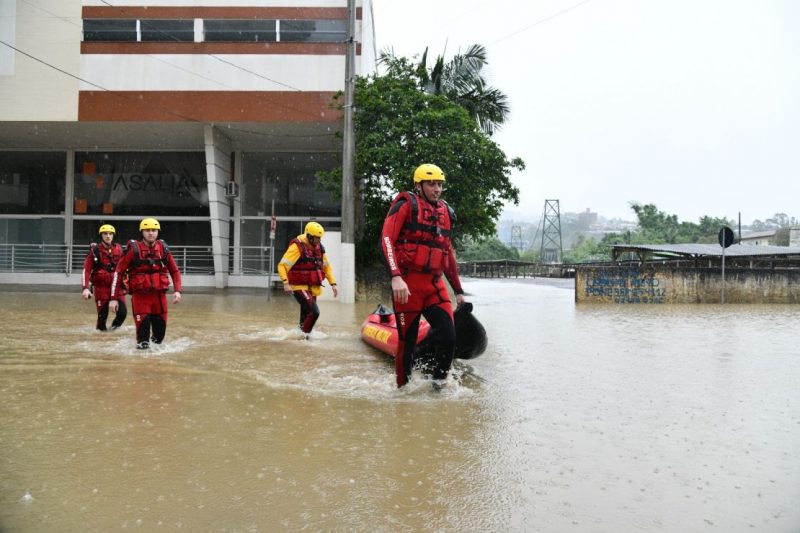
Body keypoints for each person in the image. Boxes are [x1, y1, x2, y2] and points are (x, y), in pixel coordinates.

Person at [380, 163, 466, 388]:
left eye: (440, 185)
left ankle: (438, 388)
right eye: (432, 184)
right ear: (419, 185)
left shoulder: (446, 212)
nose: (437, 189)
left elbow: (447, 254)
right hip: (408, 286)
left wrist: (458, 290)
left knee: (449, 337)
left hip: (435, 286)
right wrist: (395, 276)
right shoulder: (405, 205)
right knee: (406, 344)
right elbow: (387, 239)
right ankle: (403, 392)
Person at [109, 218, 182, 349]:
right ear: (142, 232)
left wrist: (177, 290)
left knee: (159, 340)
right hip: (141, 298)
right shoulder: (133, 249)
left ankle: (154, 361)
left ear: (157, 232)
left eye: (153, 230)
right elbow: (118, 273)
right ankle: (141, 359)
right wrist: (114, 298)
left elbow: (175, 271)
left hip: (159, 298)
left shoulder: (163, 249)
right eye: (147, 230)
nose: (150, 233)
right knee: (143, 342)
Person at [278, 221, 338, 338]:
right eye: (316, 238)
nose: (319, 240)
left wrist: (333, 284)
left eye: (320, 238)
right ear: (309, 236)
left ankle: (300, 337)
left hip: (312, 287)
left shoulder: (319, 248)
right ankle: (305, 337)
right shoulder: (297, 247)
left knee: (306, 315)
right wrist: (285, 283)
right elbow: (282, 265)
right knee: (314, 312)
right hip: (298, 286)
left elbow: (326, 267)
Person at [81, 223, 127, 331]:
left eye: (110, 234)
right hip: (101, 287)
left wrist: (126, 285)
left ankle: (112, 332)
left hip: (117, 287)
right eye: (105, 234)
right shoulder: (95, 251)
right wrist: (85, 288)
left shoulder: (119, 249)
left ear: (113, 235)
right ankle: (101, 336)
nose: (108, 236)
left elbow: (125, 268)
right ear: (101, 235)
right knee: (102, 317)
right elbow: (86, 270)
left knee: (122, 313)